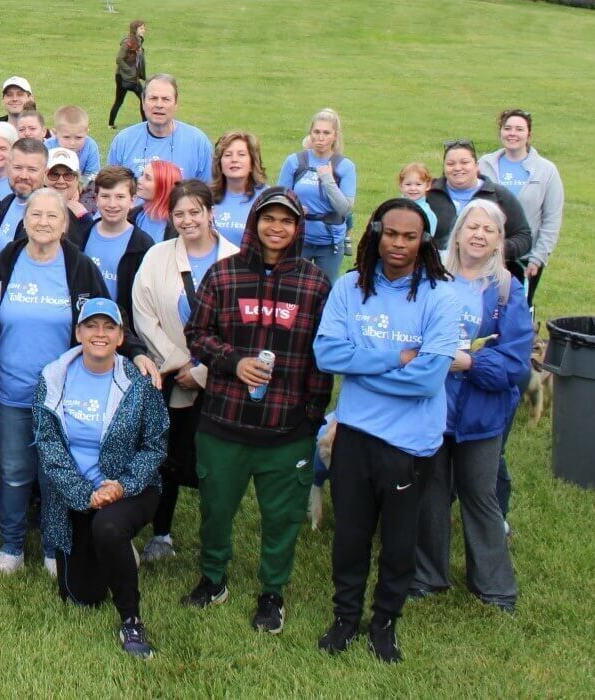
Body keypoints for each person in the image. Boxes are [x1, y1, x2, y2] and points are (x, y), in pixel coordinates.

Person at [174, 186, 331, 634]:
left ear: (298, 228)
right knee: (216, 510)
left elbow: (323, 355)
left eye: (286, 221)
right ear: (253, 223)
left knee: (281, 518)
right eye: (268, 219)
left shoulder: (315, 283)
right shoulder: (224, 276)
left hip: (287, 427)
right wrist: (232, 361)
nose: (276, 228)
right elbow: (197, 333)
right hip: (225, 421)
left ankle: (272, 593)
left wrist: (312, 415)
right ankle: (213, 579)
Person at [314, 198, 460, 664]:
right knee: (351, 536)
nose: (398, 244)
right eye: (390, 233)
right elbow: (326, 356)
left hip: (409, 442)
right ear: (376, 232)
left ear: (424, 242)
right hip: (354, 432)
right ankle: (345, 617)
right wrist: (395, 358)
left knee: (398, 542)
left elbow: (430, 379)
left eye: (409, 236)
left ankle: (385, 622)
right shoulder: (348, 288)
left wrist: (361, 368)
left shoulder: (440, 296)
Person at [0, 187, 116, 575]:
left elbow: (102, 323)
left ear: (65, 224)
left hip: (63, 397)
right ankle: (11, 547)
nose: (42, 222)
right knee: (14, 472)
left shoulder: (80, 267)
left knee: (54, 474)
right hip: (10, 391)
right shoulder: (4, 262)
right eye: (35, 215)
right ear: (24, 221)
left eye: (51, 217)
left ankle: (54, 549)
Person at [412, 200, 529, 612]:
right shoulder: (433, 279)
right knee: (431, 492)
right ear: (458, 232)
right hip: (433, 407)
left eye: (489, 229)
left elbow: (514, 361)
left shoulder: (506, 289)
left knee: (481, 494)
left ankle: (495, 587)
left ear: (499, 240)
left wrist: (469, 362)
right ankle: (426, 574)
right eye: (472, 226)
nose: (478, 234)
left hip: (482, 412)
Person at [37, 297, 169, 659]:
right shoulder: (52, 378)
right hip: (78, 494)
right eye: (91, 326)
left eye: (108, 326)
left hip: (129, 489)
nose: (99, 333)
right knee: (81, 596)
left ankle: (131, 620)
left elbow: (155, 447)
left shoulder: (139, 382)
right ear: (78, 332)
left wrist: (121, 485)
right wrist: (86, 495)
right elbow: (48, 447)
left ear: (121, 336)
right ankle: (113, 549)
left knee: (108, 528)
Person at [121, 180, 231, 565]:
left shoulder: (234, 258)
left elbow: (238, 327)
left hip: (217, 380)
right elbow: (143, 312)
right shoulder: (157, 256)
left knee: (214, 462)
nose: (187, 220)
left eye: (194, 212)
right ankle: (161, 532)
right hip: (167, 377)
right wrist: (177, 361)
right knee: (161, 455)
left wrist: (202, 370)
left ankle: (216, 539)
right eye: (179, 214)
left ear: (209, 212)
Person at [479, 109, 563, 304]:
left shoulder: (546, 170)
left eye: (519, 129)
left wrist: (538, 257)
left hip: (524, 257)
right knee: (486, 306)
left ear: (529, 134)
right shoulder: (484, 164)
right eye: (507, 128)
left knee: (517, 308)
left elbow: (552, 218)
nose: (512, 134)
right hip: (484, 253)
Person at [424, 141, 531, 272]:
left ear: (476, 166)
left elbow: (523, 236)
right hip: (435, 274)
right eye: (451, 164)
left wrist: (493, 249)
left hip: (486, 276)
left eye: (464, 162)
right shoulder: (427, 194)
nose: (457, 168)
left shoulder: (499, 196)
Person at [280, 109, 357, 280]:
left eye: (326, 133)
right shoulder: (294, 162)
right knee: (292, 290)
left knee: (325, 292)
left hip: (329, 243)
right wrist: (295, 207)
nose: (320, 138)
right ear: (310, 133)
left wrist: (327, 179)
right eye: (316, 132)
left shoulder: (345, 166)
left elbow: (345, 209)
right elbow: (280, 198)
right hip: (299, 239)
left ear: (335, 136)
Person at [69, 166, 154, 303]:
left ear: (132, 200)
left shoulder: (142, 245)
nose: (112, 204)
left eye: (120, 197)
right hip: (83, 319)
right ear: (96, 199)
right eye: (105, 196)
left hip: (121, 321)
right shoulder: (80, 236)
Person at [105, 75, 212, 182]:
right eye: (153, 98)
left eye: (166, 99)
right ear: (143, 102)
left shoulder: (198, 142)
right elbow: (111, 188)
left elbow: (207, 193)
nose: (159, 105)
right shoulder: (124, 140)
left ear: (176, 103)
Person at [211, 131, 264, 246]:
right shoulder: (206, 196)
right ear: (219, 164)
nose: (234, 160)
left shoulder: (266, 198)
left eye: (241, 154)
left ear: (252, 163)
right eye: (228, 155)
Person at [0, 138, 50, 232]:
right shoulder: (6, 202)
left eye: (32, 169)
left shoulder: (54, 213)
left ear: (45, 173)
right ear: (8, 168)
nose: (24, 176)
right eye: (17, 168)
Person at [109, 20, 148, 129]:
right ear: (135, 30)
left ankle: (144, 123)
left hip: (132, 78)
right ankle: (111, 124)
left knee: (142, 98)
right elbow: (119, 59)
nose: (144, 30)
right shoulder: (128, 43)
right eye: (141, 28)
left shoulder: (139, 41)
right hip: (123, 78)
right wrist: (130, 71)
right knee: (120, 100)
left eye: (144, 28)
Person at [47, 105, 102, 180]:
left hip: (81, 188)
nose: (72, 143)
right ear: (55, 133)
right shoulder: (48, 147)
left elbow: (92, 174)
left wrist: (76, 187)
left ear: (86, 132)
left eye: (78, 137)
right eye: (66, 137)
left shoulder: (90, 146)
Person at [128, 160, 179, 234]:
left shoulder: (178, 225)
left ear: (163, 186)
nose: (139, 180)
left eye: (147, 178)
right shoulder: (133, 215)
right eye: (142, 174)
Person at [397, 163, 439, 235]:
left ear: (428, 186)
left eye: (418, 184)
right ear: (401, 186)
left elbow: (428, 237)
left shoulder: (426, 213)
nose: (413, 188)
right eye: (408, 184)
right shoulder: (394, 206)